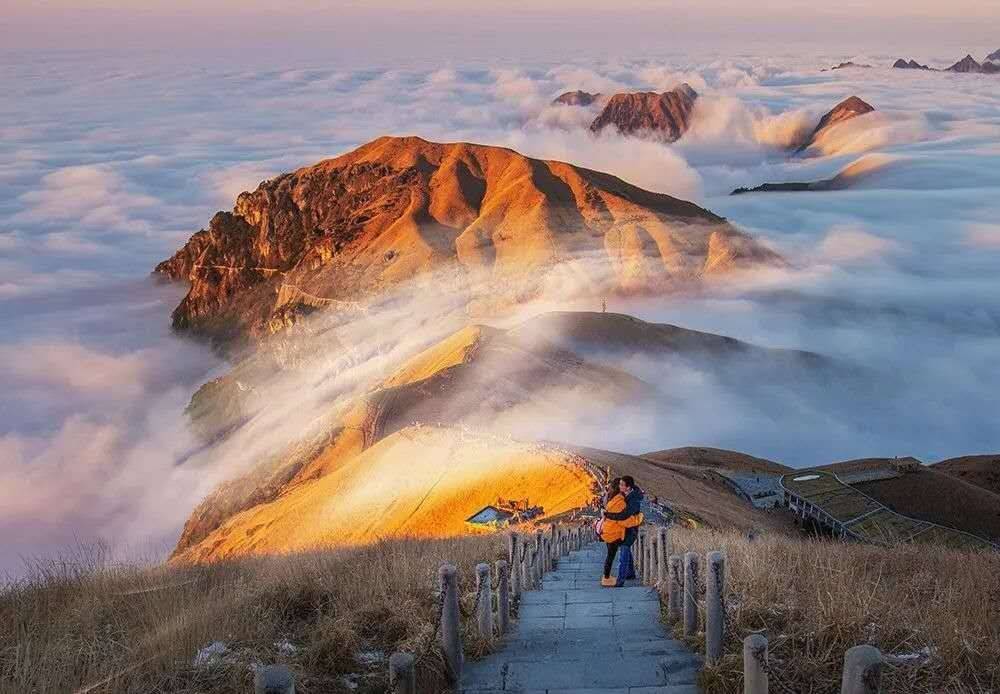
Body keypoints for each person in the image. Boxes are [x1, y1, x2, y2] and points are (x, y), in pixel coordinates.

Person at [596, 477, 643, 587]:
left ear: (628, 487)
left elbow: (624, 518)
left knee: (624, 552)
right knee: (626, 551)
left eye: (622, 485)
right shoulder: (626, 495)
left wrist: (609, 516)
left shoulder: (633, 499)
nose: (620, 487)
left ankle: (620, 581)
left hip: (630, 529)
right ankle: (630, 573)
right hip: (626, 529)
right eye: (620, 485)